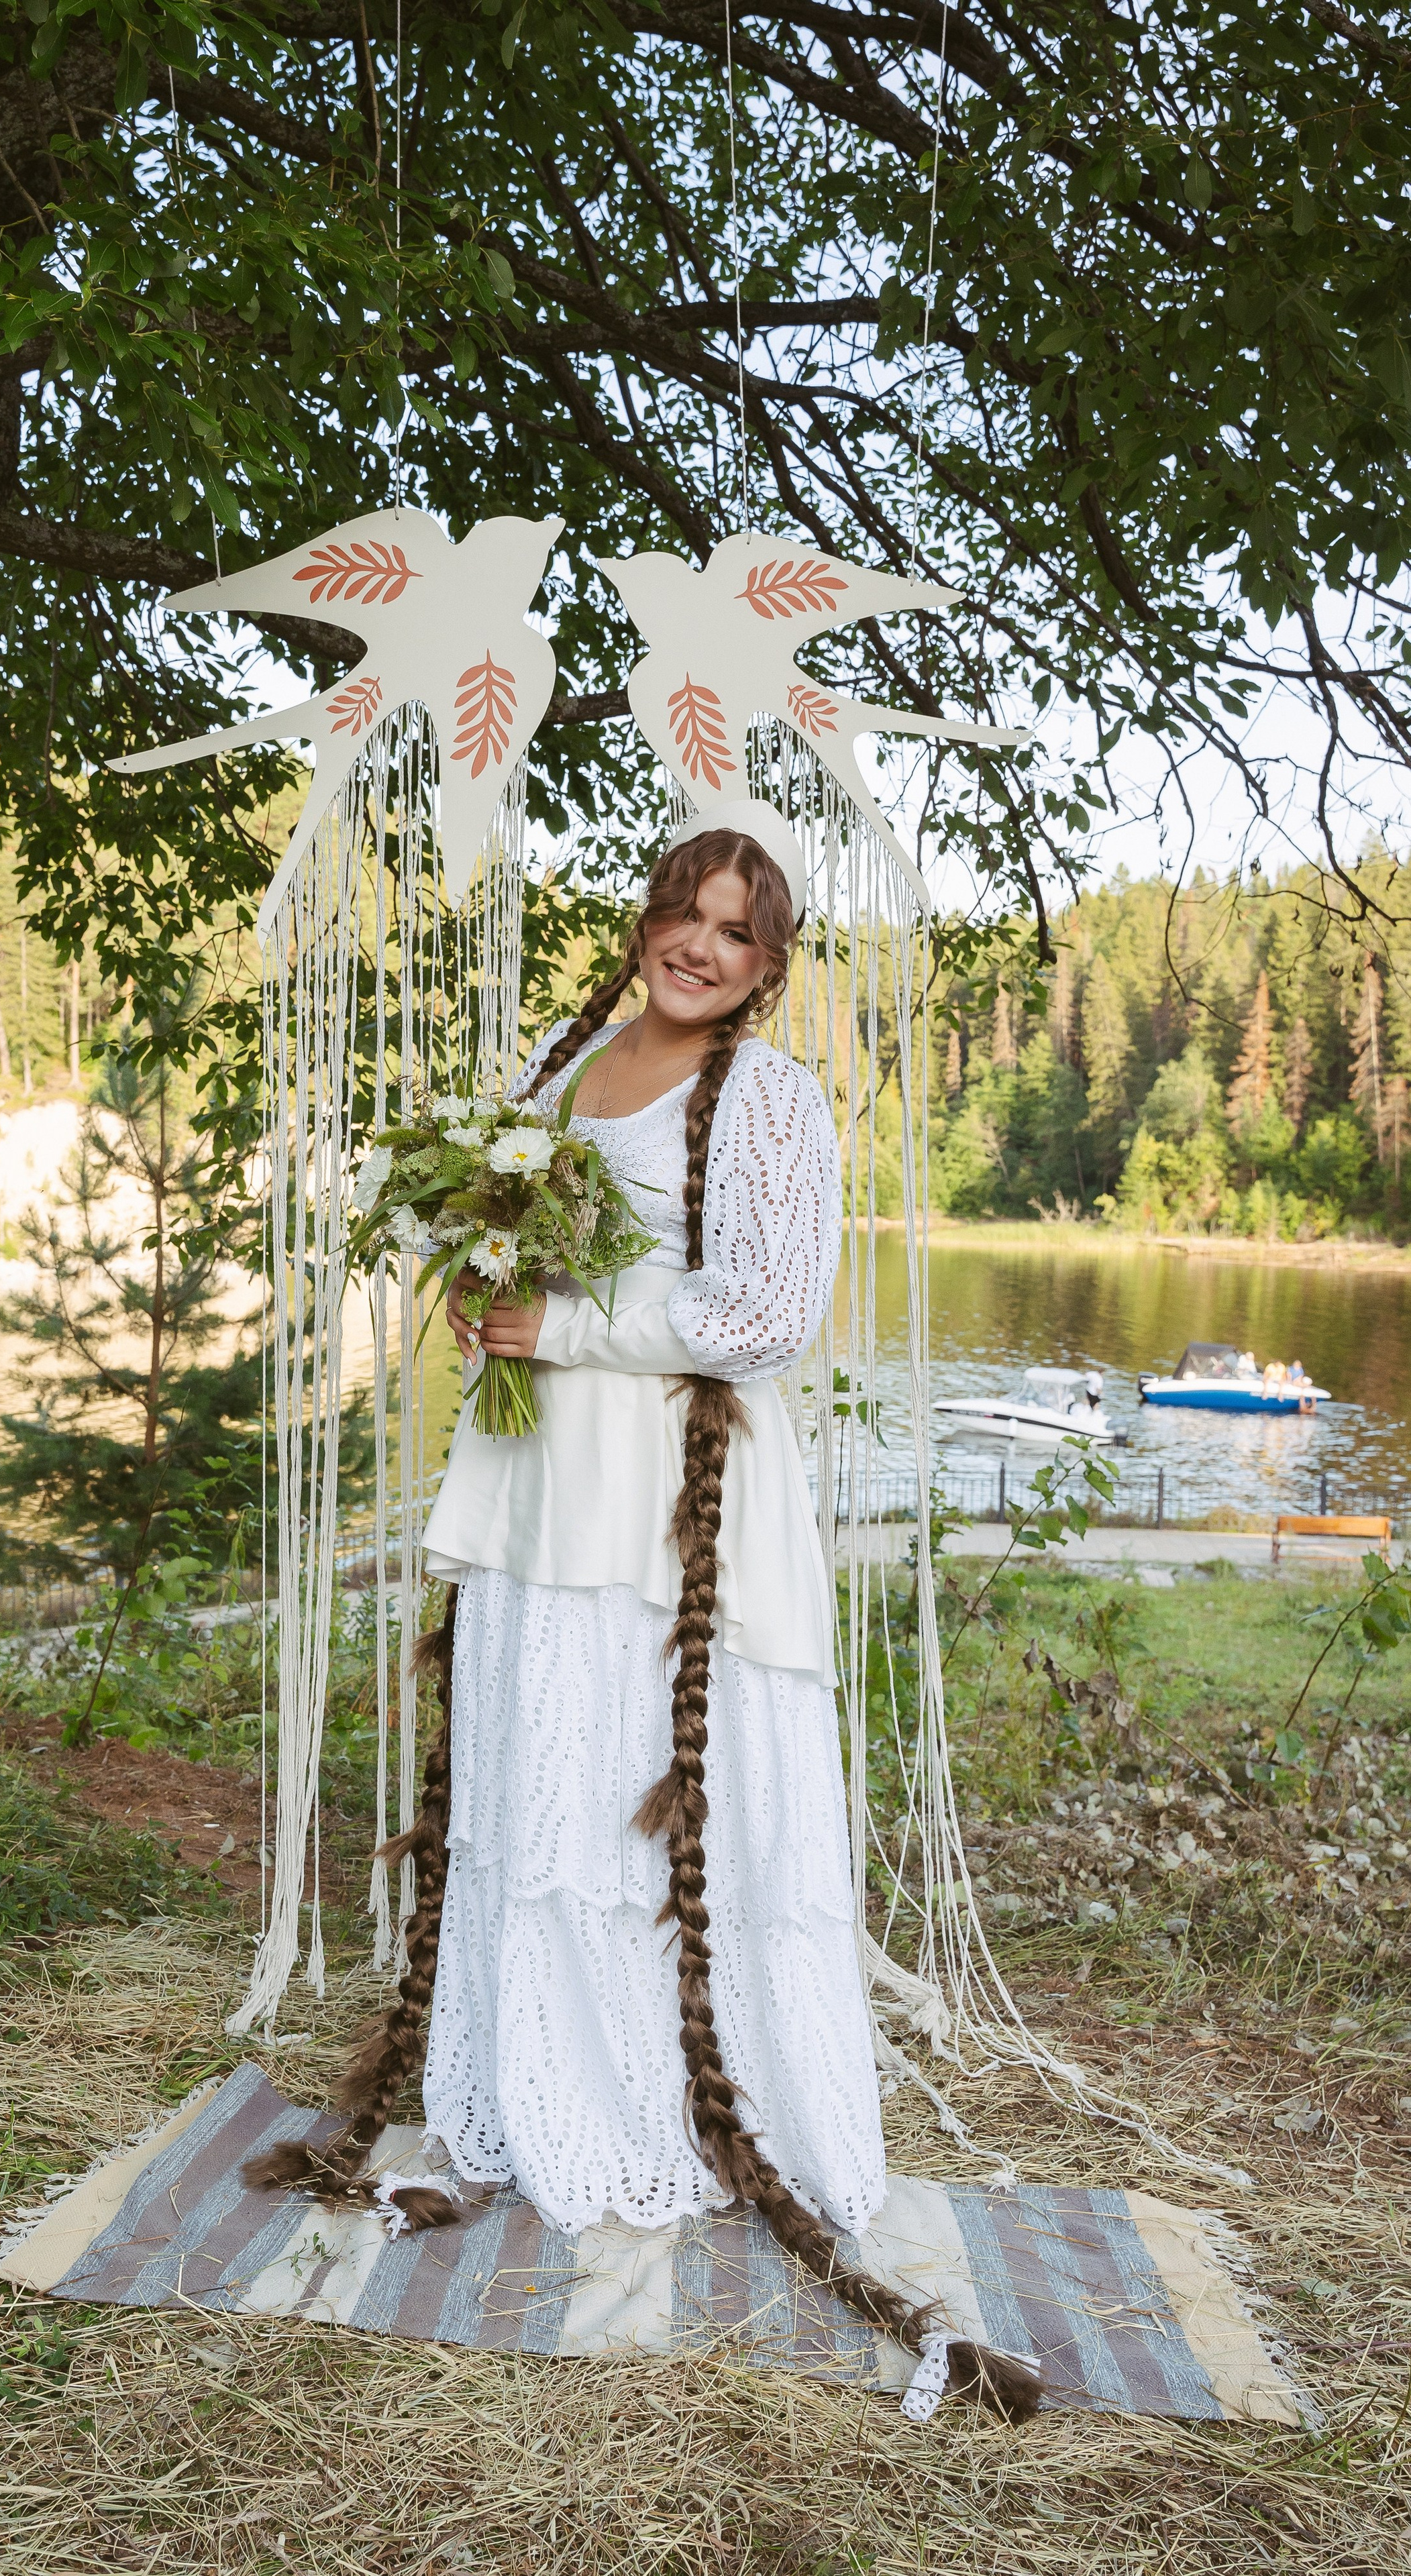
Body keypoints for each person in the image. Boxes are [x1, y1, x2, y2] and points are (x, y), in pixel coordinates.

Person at [246, 802, 1039, 2418]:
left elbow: (762, 1313)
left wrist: (564, 1321)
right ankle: (538, 2101)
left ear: (767, 962)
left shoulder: (770, 1098)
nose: (700, 943)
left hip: (670, 1499)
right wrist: (472, 1286)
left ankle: (675, 2116)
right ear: (647, 917)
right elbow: (494, 1237)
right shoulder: (557, 1064)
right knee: (538, 1794)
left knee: (649, 1800)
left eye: (736, 928)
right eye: (685, 908)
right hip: (547, 1489)